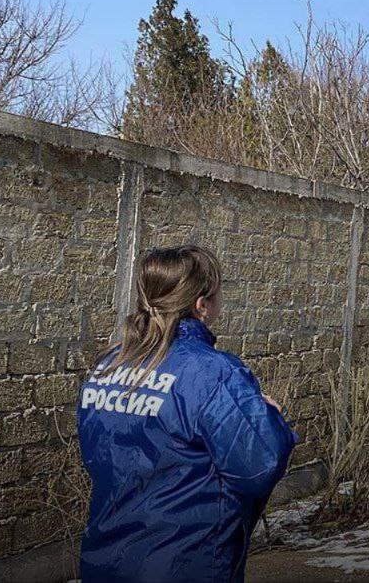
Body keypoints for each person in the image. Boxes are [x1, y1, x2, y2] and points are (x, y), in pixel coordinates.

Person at [78, 245, 296, 583]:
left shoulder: (108, 366)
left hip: (105, 561)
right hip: (186, 563)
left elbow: (100, 452)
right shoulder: (213, 372)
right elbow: (259, 466)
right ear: (202, 304)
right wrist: (269, 417)